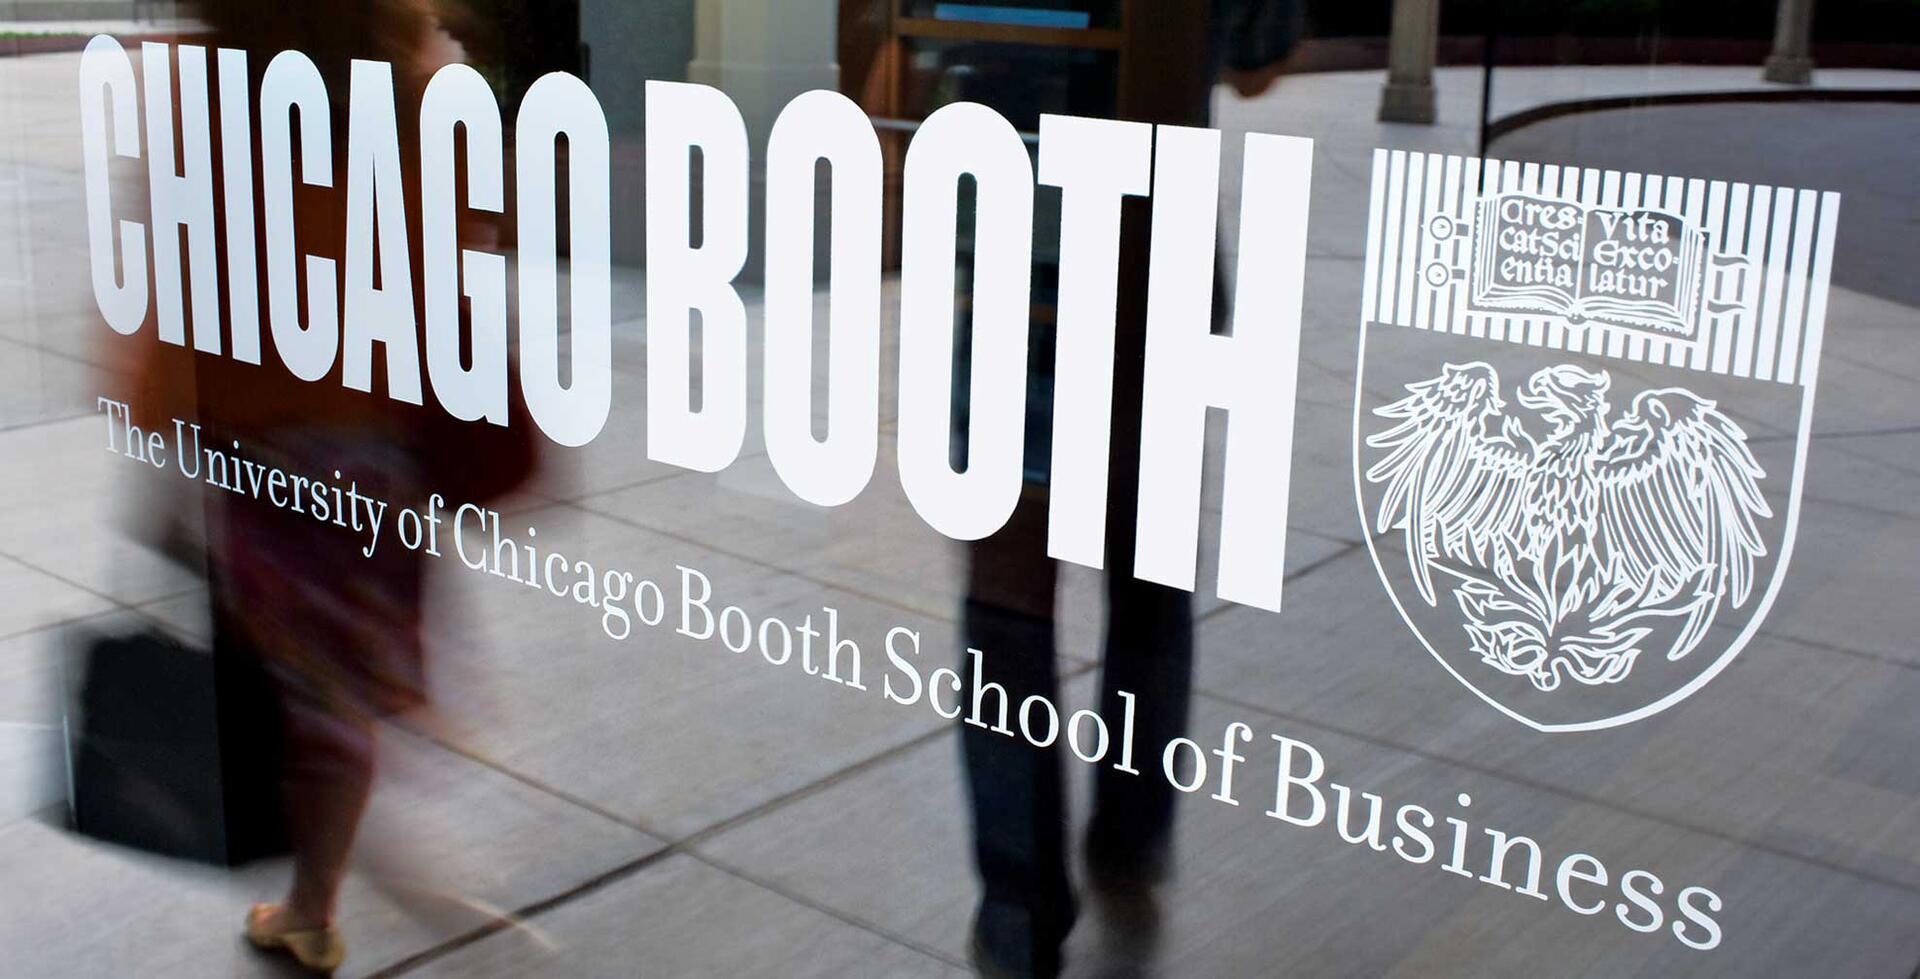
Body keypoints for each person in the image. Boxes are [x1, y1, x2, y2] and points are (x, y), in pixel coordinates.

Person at [117, 2, 537, 971]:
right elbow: (478, 238)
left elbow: (180, 297)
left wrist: (161, 461)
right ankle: (316, 893)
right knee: (335, 685)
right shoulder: (418, 98)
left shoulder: (214, 102)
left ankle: (315, 894)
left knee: (293, 680)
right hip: (375, 458)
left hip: (263, 459)